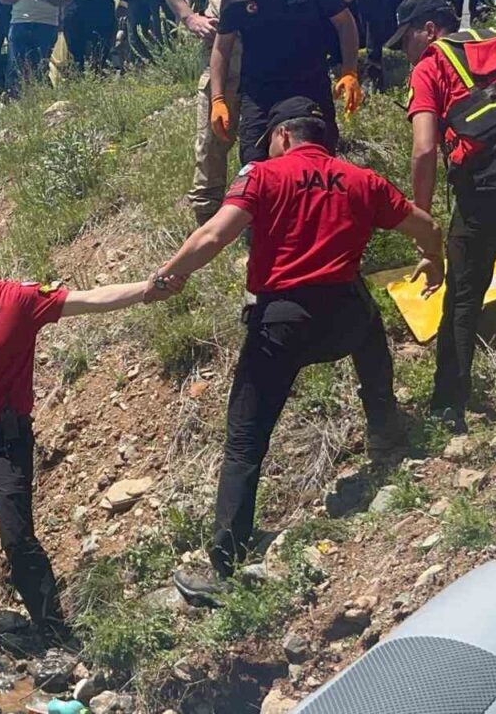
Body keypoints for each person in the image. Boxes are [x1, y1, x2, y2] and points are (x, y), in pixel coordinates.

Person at [149, 97, 445, 601]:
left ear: (283, 136)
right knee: (371, 333)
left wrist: (169, 273)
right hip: (342, 316)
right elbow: (428, 226)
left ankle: (225, 564)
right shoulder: (361, 179)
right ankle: (385, 431)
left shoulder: (264, 175)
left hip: (281, 322)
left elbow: (216, 234)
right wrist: (432, 261)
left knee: (245, 440)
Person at [0, 233, 180, 648]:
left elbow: (89, 299)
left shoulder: (19, 300)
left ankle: (52, 632)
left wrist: (146, 290)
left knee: (17, 538)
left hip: (3, 446)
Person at [390, 0, 496, 434]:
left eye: (405, 41)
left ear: (428, 28)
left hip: (487, 185)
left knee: (462, 294)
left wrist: (422, 225)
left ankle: (448, 407)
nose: (405, 52)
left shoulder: (430, 65)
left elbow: (424, 148)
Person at [211, 0, 364, 165]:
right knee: (254, 162)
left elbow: (345, 23)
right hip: (260, 93)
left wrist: (349, 71)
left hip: (311, 84)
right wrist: (217, 98)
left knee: (319, 159)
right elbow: (222, 47)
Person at [166, 0, 243, 225]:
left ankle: (265, 210)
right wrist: (188, 17)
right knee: (213, 138)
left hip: (269, 52)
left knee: (265, 137)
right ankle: (207, 220)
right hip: (223, 52)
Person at [2, 0, 65, 86]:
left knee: (40, 70)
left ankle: (36, 99)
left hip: (46, 24)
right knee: (16, 70)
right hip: (19, 23)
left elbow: (59, 0)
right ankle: (17, 99)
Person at [61, 0, 116, 72]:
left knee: (101, 54)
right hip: (72, 0)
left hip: (100, 0)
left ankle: (99, 78)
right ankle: (80, 79)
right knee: (76, 55)